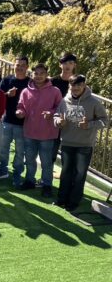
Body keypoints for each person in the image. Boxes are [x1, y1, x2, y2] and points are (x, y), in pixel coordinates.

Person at [54, 75, 108, 211]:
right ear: (69, 86)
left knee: (79, 174)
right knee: (66, 172)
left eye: (79, 85)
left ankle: (73, 202)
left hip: (84, 145)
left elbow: (105, 121)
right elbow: (56, 116)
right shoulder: (64, 100)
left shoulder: (94, 102)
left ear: (84, 85)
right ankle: (61, 199)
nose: (76, 88)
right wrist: (59, 122)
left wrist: (89, 125)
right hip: (67, 143)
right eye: (73, 85)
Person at [16, 63, 63, 196]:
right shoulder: (25, 91)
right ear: (32, 75)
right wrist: (20, 112)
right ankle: (29, 181)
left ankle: (47, 185)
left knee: (46, 162)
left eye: (42, 73)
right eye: (36, 73)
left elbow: (60, 107)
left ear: (47, 74)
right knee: (29, 159)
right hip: (29, 132)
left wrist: (51, 113)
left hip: (47, 134)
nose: (39, 76)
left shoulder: (55, 91)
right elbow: (21, 106)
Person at [0, 56, 30, 186]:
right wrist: (7, 94)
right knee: (3, 148)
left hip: (23, 123)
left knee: (20, 151)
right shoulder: (7, 80)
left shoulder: (31, 83)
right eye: (18, 65)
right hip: (7, 120)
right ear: (13, 65)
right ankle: (2, 170)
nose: (20, 67)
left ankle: (17, 174)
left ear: (27, 67)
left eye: (23, 65)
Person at [51, 52, 77, 162]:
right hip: (54, 120)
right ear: (60, 65)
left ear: (74, 65)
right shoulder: (53, 81)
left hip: (71, 122)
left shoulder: (78, 83)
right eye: (65, 63)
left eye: (70, 63)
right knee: (51, 153)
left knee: (68, 157)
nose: (67, 66)